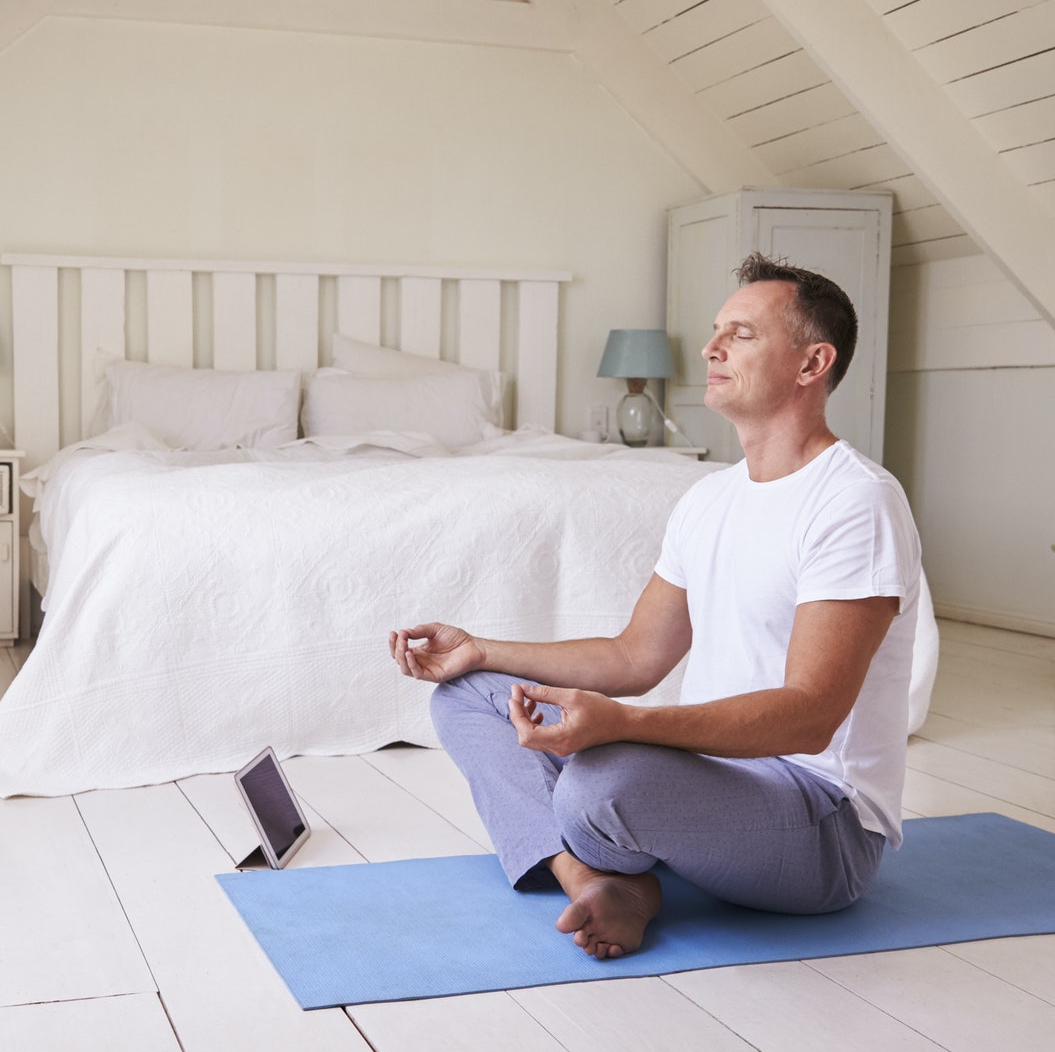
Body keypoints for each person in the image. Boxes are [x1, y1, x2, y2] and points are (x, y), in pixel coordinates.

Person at [389, 253, 921, 960]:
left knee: (599, 781)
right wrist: (481, 650)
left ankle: (610, 859)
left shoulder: (856, 501)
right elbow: (633, 655)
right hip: (715, 782)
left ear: (811, 363)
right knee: (466, 697)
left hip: (823, 822)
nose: (710, 347)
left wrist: (627, 727)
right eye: (715, 331)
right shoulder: (708, 499)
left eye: (743, 334)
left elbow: (812, 713)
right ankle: (595, 880)